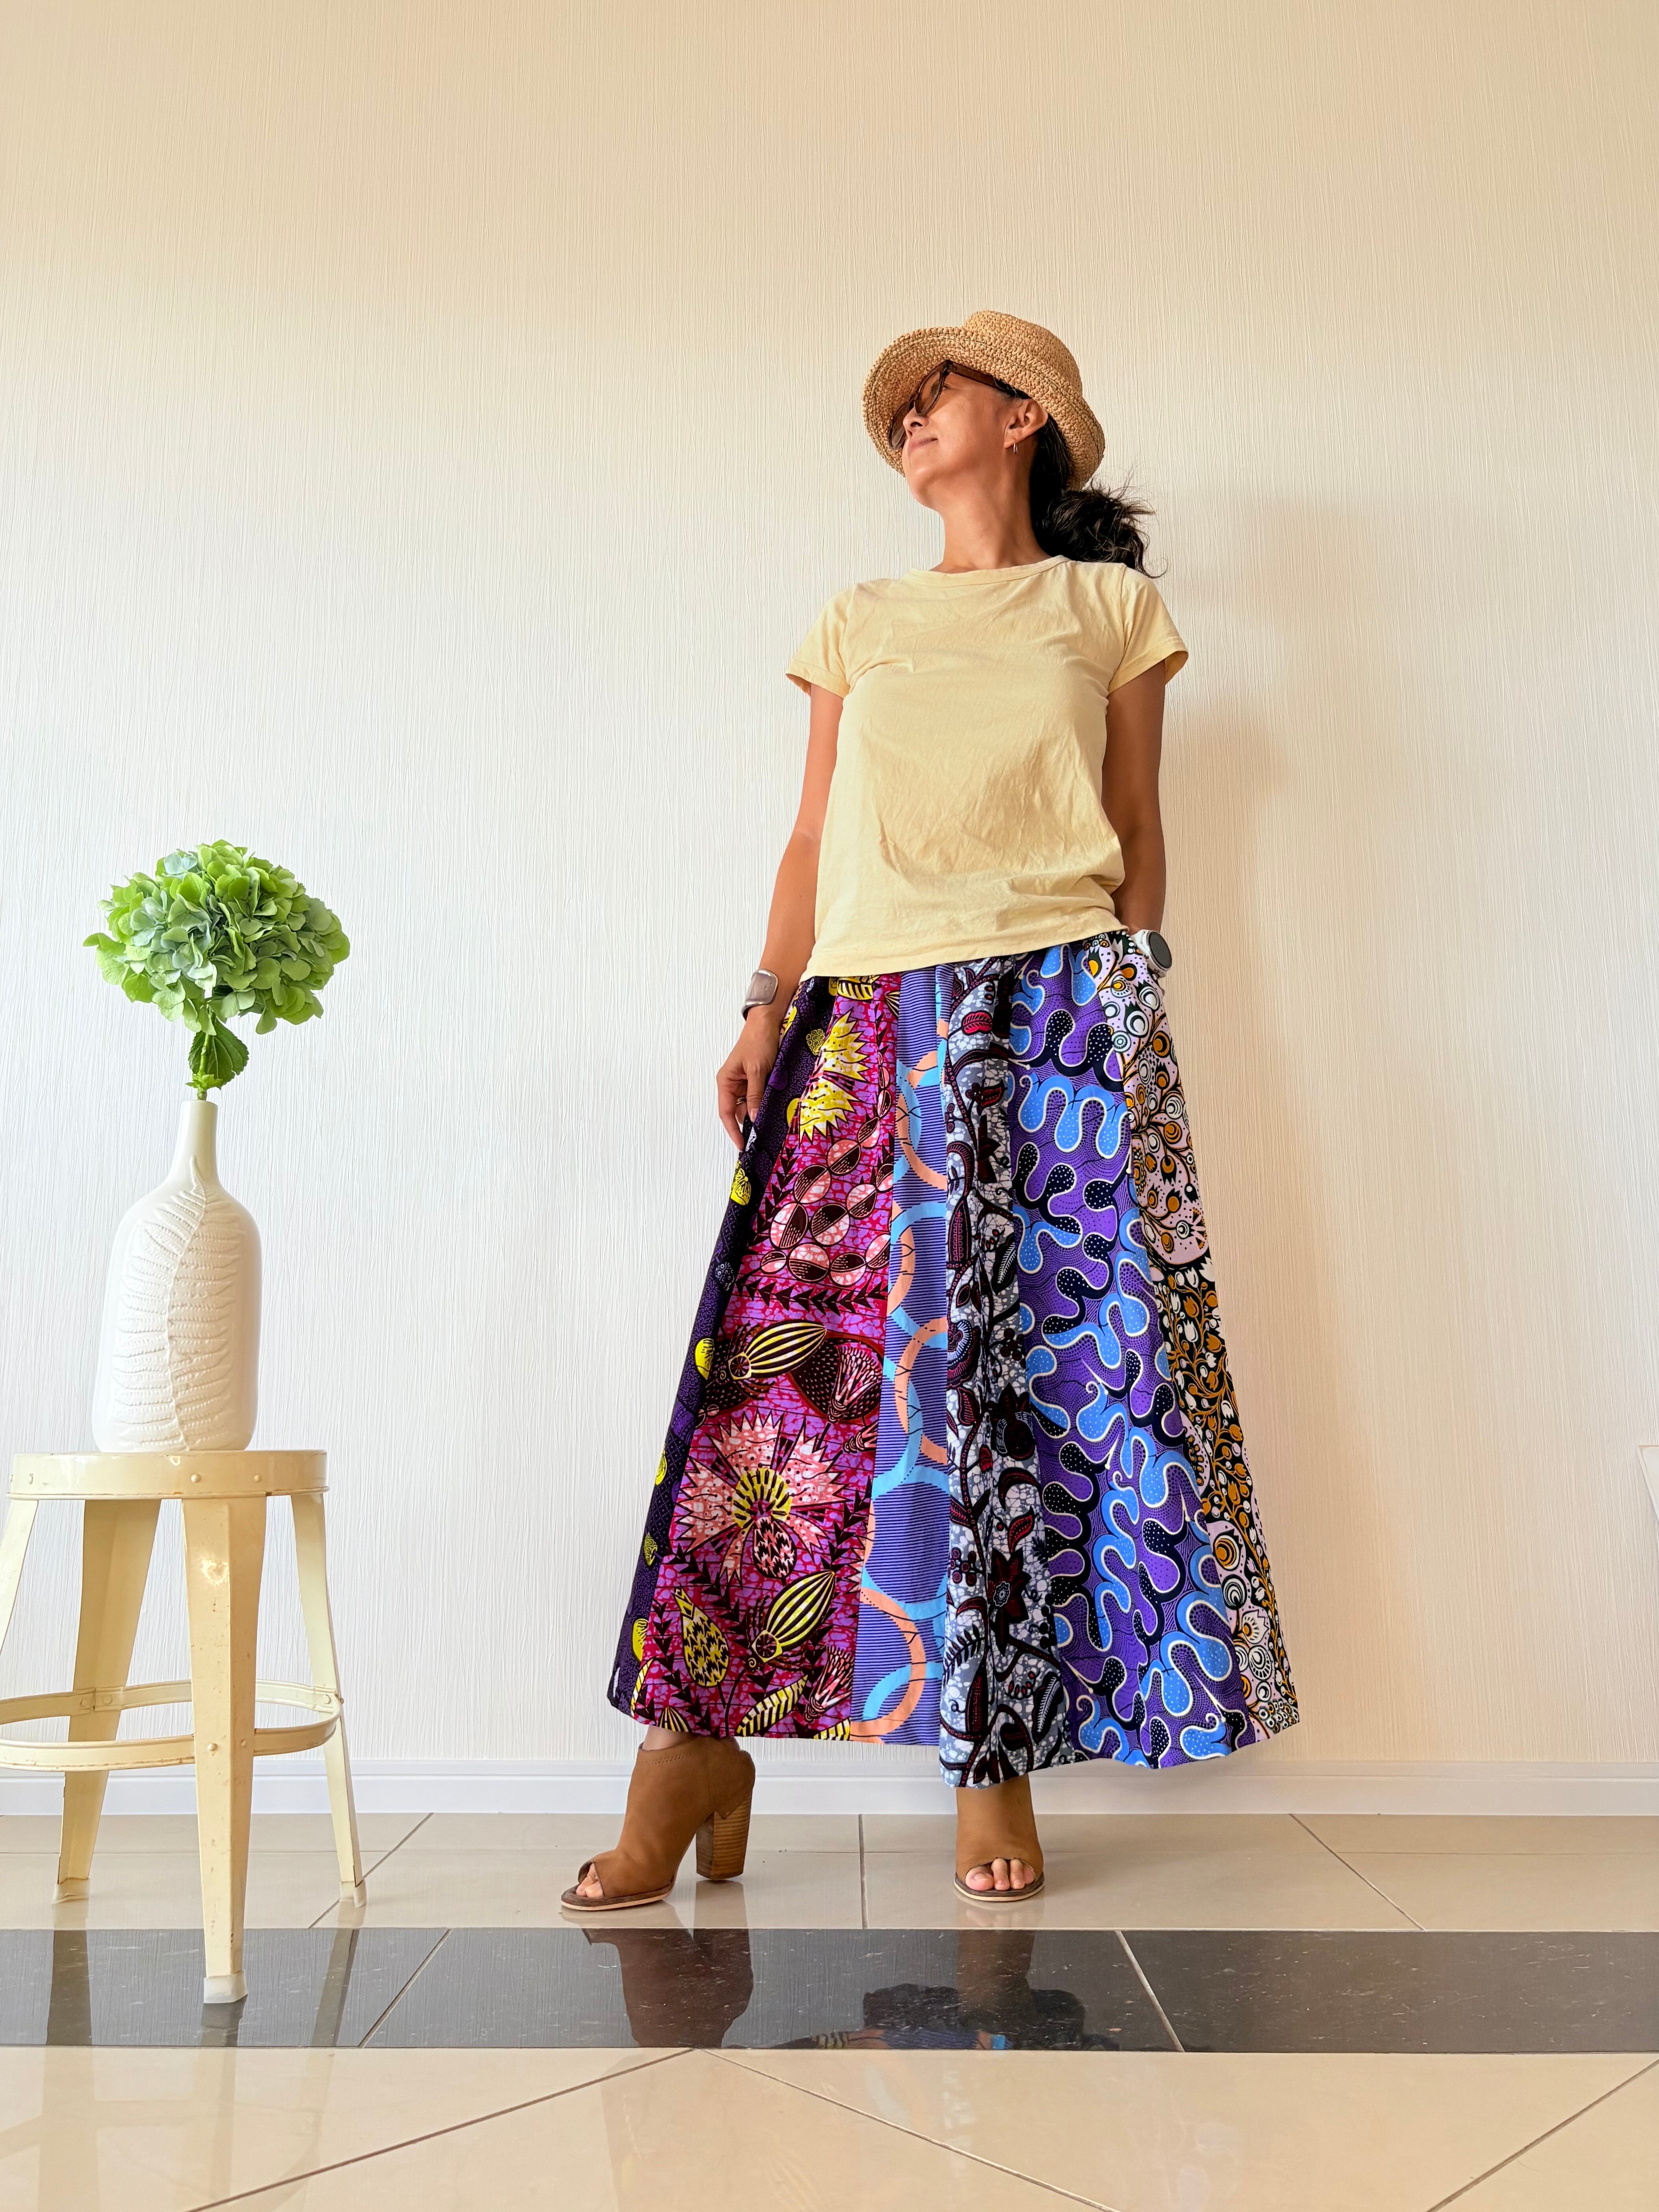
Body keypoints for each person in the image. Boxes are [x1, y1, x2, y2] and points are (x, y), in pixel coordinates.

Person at [564, 309, 1298, 1914]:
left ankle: (991, 1751)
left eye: (935, 390)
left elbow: (1136, 826)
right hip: (866, 1014)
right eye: (895, 405)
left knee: (1019, 1390)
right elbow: (812, 835)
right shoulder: (862, 619)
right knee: (785, 1390)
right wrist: (764, 1003)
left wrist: (1131, 1008)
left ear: (1024, 414)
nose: (907, 415)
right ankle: (689, 1749)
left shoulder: (1109, 609)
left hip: (1057, 1009)